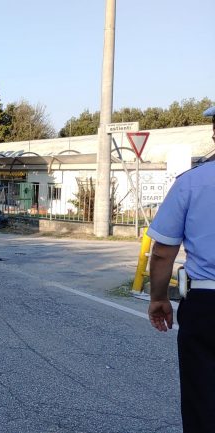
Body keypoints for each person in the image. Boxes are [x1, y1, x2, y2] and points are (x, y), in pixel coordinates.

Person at [147, 105, 215, 432]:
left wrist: (158, 298)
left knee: (203, 399)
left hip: (207, 308)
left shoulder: (192, 183)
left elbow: (162, 252)